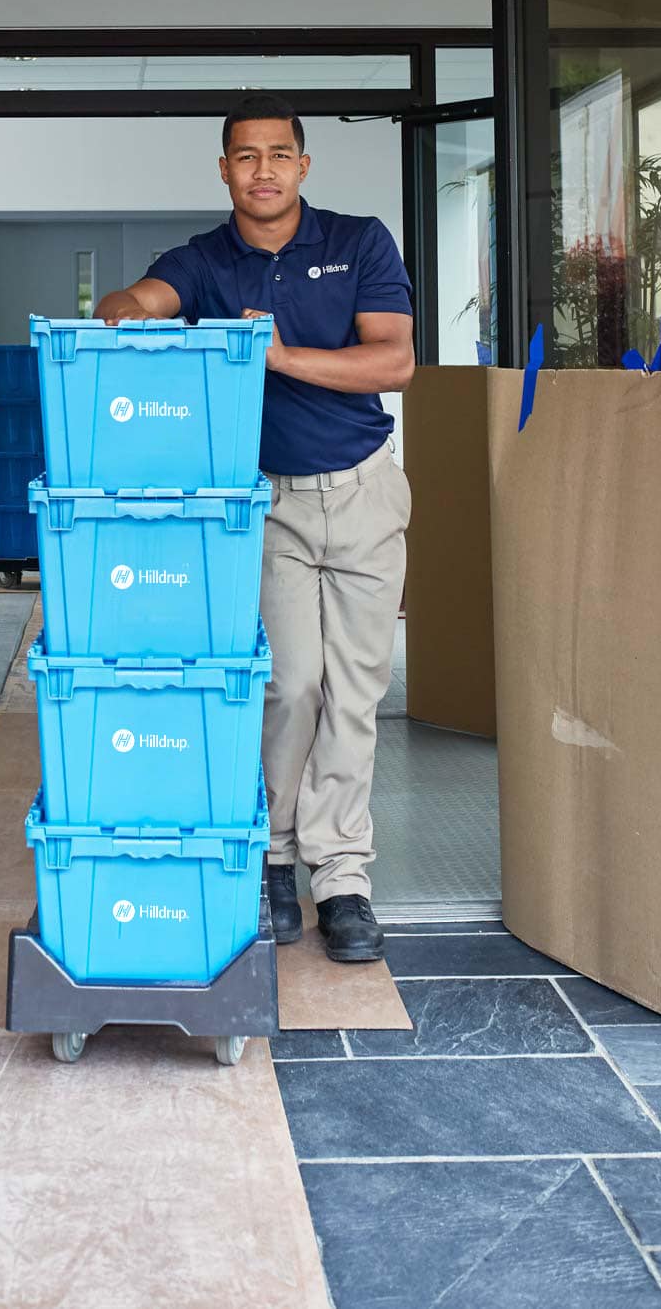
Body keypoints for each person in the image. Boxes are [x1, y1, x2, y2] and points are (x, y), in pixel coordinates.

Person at [93, 93, 414, 965]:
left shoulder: (357, 242)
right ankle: (272, 857)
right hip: (260, 502)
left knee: (356, 689)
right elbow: (145, 296)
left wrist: (272, 356)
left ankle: (341, 876)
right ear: (224, 169)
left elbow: (392, 361)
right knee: (288, 685)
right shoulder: (205, 260)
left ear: (302, 166)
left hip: (359, 493)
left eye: (279, 154)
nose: (262, 169)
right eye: (245, 156)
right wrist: (122, 307)